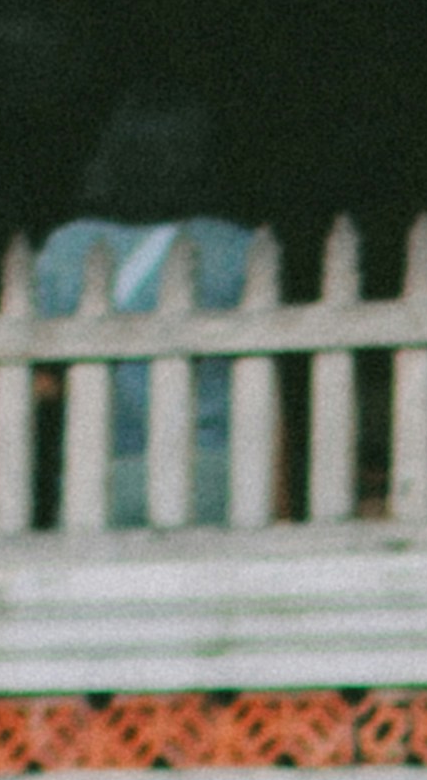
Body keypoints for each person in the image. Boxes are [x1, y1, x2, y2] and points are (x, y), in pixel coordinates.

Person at [28, 91, 259, 520]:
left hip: (99, 472)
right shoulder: (235, 249)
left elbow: (42, 376)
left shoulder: (67, 249)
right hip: (214, 472)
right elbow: (263, 390)